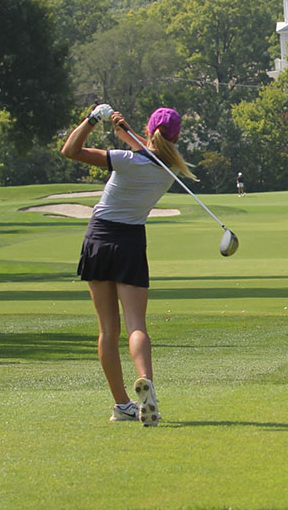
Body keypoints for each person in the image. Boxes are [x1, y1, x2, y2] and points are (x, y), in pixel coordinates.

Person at [61, 104, 196, 427]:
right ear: (175, 138)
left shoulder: (124, 160)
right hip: (131, 242)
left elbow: (70, 150)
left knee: (109, 330)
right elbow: (147, 151)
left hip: (99, 238)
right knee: (137, 325)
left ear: (150, 131)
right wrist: (125, 131)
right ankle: (146, 382)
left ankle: (122, 403)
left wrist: (94, 120)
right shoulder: (170, 169)